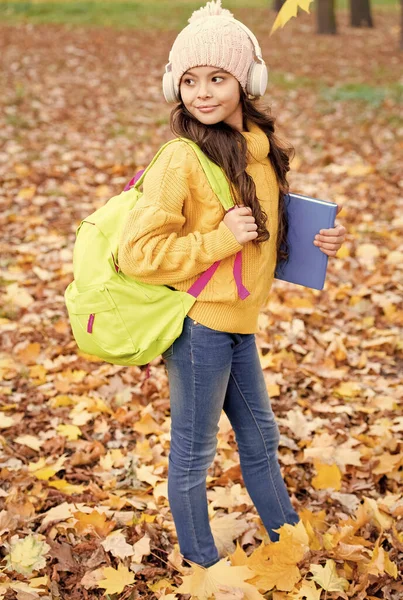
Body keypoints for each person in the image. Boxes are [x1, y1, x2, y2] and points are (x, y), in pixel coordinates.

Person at [118, 0, 346, 569]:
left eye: (217, 77)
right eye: (189, 80)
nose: (202, 92)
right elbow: (137, 254)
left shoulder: (261, 154)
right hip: (199, 328)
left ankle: (288, 539)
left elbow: (262, 241)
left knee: (262, 441)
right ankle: (204, 568)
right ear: (175, 85)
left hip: (239, 325)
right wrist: (219, 239)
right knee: (194, 457)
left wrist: (311, 244)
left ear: (248, 79)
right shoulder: (181, 159)